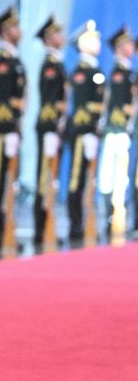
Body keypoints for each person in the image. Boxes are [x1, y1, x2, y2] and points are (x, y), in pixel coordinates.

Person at [0, 7, 26, 253]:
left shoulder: (14, 59)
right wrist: (11, 125)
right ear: (6, 31)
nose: (19, 31)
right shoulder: (3, 60)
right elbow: (4, 100)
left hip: (12, 127)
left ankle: (6, 228)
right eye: (15, 27)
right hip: (2, 127)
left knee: (9, 180)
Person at [64, 22, 106, 242]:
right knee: (76, 179)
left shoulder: (95, 70)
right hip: (82, 132)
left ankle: (85, 221)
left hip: (92, 131)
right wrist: (89, 127)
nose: (97, 43)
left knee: (89, 180)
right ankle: (75, 224)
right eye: (92, 39)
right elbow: (81, 107)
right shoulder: (81, 72)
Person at [32, 16, 68, 244]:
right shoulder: (50, 65)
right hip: (49, 126)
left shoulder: (57, 63)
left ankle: (46, 226)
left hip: (56, 126)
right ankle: (40, 228)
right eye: (56, 33)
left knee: (50, 177)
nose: (60, 37)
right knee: (44, 177)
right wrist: (54, 124)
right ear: (48, 38)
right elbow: (49, 100)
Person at [100, 26, 135, 236]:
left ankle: (118, 215)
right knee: (110, 177)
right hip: (116, 129)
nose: (132, 47)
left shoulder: (130, 74)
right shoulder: (119, 74)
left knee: (121, 178)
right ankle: (110, 216)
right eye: (128, 43)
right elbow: (114, 104)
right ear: (120, 47)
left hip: (124, 131)